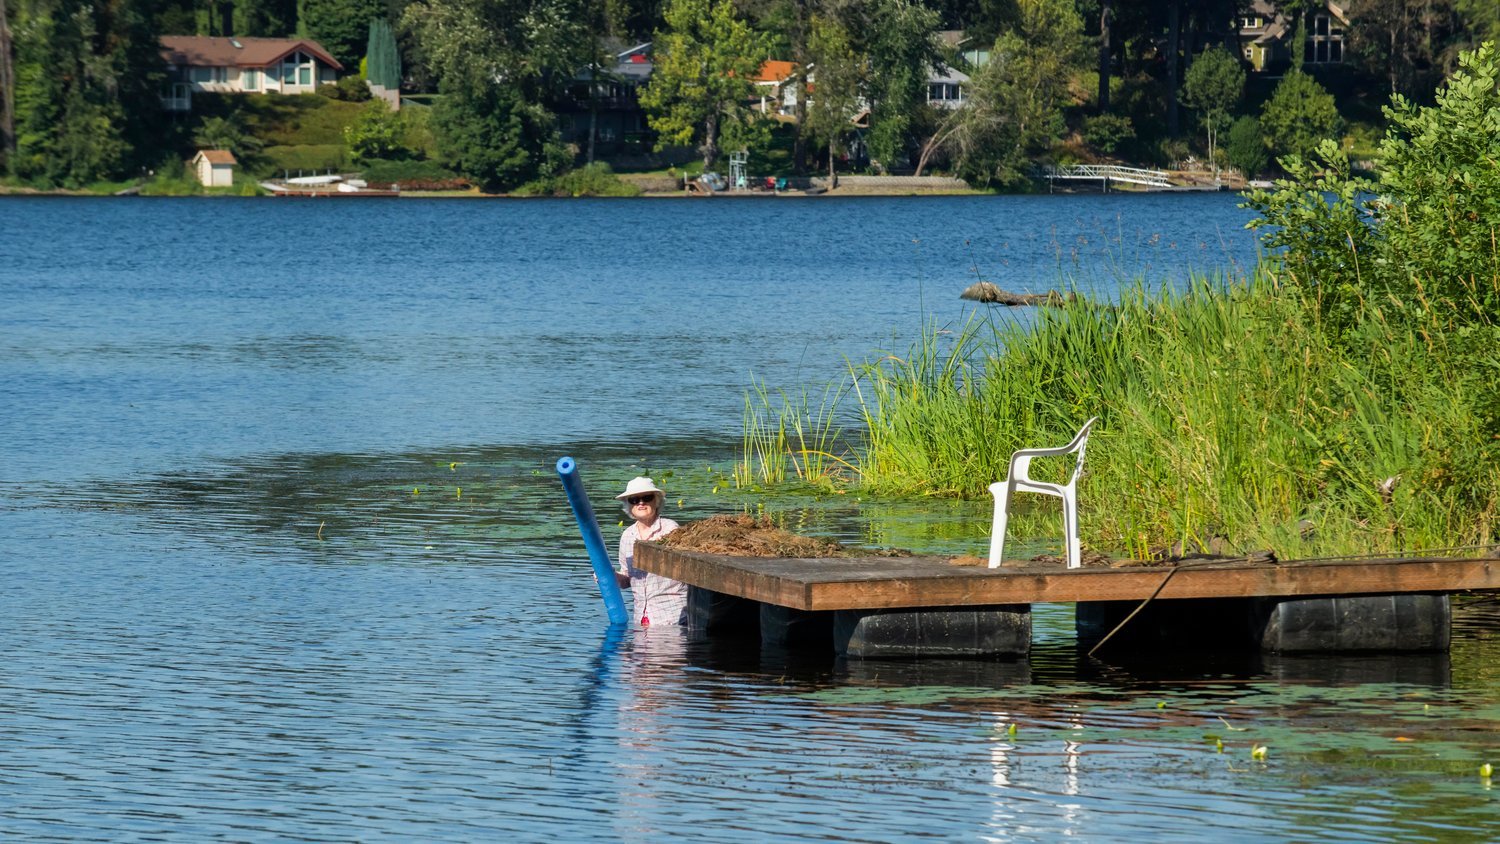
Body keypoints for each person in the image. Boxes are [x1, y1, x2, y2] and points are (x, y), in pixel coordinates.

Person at [615, 476, 685, 627]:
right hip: (641, 621)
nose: (641, 502)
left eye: (647, 497)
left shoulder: (671, 529)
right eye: (634, 499)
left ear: (656, 501)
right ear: (629, 505)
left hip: (673, 619)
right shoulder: (627, 536)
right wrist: (608, 576)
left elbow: (685, 572)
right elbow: (627, 579)